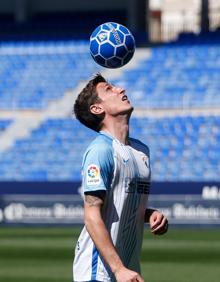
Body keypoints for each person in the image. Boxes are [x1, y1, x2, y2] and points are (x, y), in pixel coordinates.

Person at [73, 73, 168, 282]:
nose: (121, 89)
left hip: (128, 270)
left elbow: (118, 204)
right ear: (97, 108)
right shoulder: (100, 150)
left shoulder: (141, 151)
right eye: (109, 89)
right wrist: (118, 270)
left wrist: (148, 214)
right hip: (98, 272)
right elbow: (91, 214)